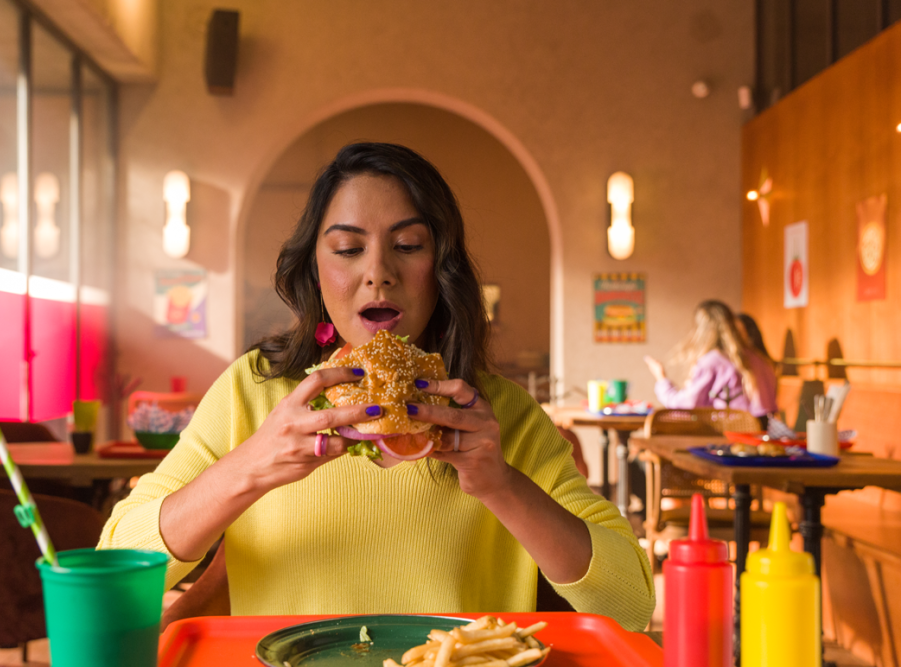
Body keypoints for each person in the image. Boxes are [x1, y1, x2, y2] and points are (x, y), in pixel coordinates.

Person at [99, 143, 654, 630]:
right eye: (347, 249)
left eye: (408, 245)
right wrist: (251, 466)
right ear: (317, 269)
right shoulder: (253, 390)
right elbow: (115, 570)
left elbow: (628, 604)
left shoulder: (499, 414)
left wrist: (502, 484)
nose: (378, 271)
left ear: (442, 268)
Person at [644, 300, 775, 421]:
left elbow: (685, 407)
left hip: (727, 438)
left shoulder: (712, 362)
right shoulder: (758, 358)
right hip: (760, 434)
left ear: (701, 329)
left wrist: (661, 379)